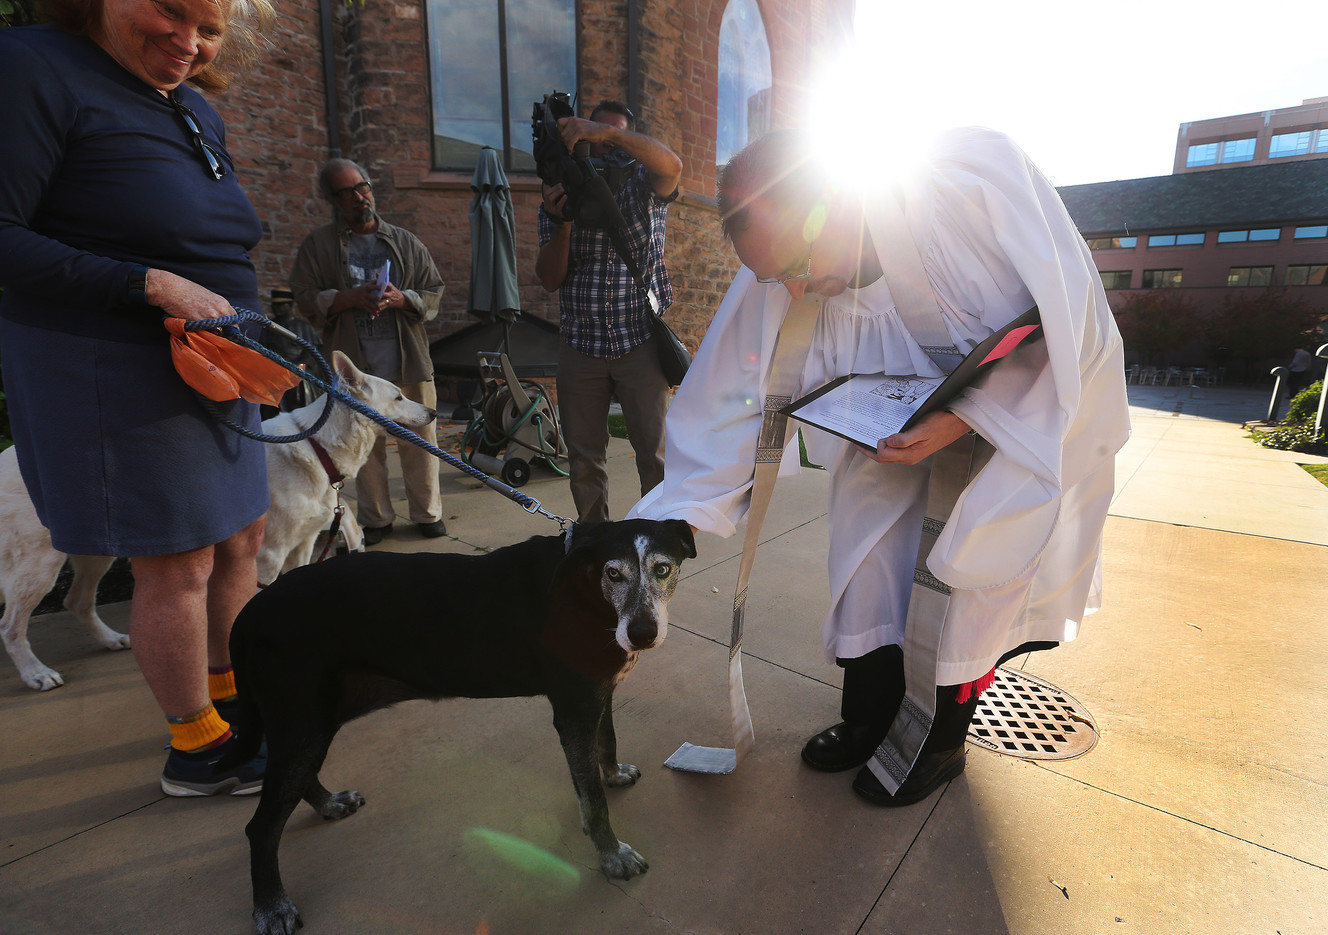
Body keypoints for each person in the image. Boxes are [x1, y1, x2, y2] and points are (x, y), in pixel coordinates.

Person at [629, 127, 1130, 805]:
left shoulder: (969, 196)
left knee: (960, 581)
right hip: (882, 446)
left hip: (1003, 435)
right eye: (778, 278)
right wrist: (674, 516)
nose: (796, 289)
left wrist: (961, 418)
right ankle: (868, 717)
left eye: (798, 264)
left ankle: (938, 742)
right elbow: (728, 395)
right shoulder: (783, 262)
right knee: (866, 563)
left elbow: (1070, 334)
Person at [0, 0, 275, 795]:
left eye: (211, 29)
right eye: (172, 12)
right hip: (113, 359)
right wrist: (147, 283)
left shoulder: (191, 104)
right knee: (178, 555)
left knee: (241, 536)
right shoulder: (31, 66)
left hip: (217, 358)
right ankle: (198, 749)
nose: (190, 43)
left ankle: (233, 700)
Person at [535, 101, 683, 523]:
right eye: (593, 135)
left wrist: (607, 132)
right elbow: (549, 278)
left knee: (655, 455)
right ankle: (594, 540)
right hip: (580, 345)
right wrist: (561, 223)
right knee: (583, 458)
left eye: (612, 136)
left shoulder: (643, 186)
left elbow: (673, 165)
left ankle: (656, 537)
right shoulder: (561, 189)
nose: (603, 145)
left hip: (638, 340)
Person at [290, 158, 447, 545]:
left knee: (421, 437)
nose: (359, 197)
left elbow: (434, 291)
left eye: (363, 187)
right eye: (347, 192)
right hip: (352, 369)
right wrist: (347, 298)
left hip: (408, 359)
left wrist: (402, 298)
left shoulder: (405, 242)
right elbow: (303, 297)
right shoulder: (318, 246)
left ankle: (427, 513)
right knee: (361, 444)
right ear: (332, 199)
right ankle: (376, 518)